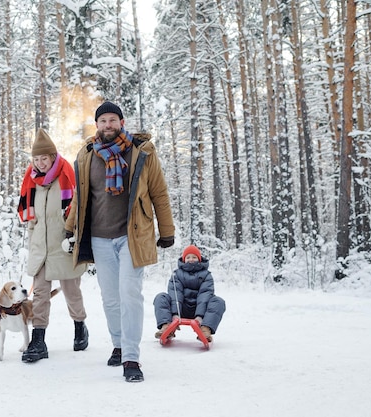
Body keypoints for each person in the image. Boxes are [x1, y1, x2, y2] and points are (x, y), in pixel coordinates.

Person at [64, 101, 175, 382]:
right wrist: (69, 228)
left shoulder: (142, 152)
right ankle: (118, 344)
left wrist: (167, 230)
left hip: (132, 236)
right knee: (111, 298)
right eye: (103, 121)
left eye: (113, 120)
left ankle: (131, 358)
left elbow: (159, 193)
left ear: (121, 122)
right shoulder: (88, 155)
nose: (108, 125)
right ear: (97, 125)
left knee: (130, 294)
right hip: (100, 237)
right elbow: (80, 196)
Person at [17, 128, 89, 363]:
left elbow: (78, 210)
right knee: (40, 294)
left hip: (64, 244)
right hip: (41, 247)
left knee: (71, 292)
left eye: (44, 158)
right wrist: (31, 237)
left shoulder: (68, 176)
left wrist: (76, 238)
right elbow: (32, 217)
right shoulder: (32, 181)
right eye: (36, 159)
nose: (40, 163)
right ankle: (39, 340)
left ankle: (80, 326)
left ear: (52, 157)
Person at [153, 244, 226, 342]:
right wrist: (175, 314)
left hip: (200, 310)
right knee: (161, 297)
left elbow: (205, 294)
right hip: (181, 308)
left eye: (194, 257)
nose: (191, 259)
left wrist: (200, 316)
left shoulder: (206, 275)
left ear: (199, 259)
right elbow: (175, 293)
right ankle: (167, 326)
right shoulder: (177, 274)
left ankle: (205, 329)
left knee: (218, 301)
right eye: (188, 257)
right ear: (184, 259)